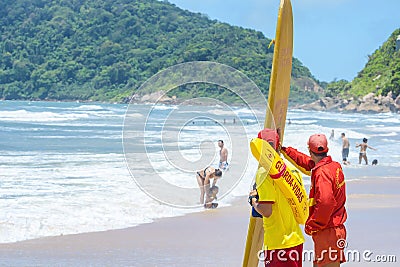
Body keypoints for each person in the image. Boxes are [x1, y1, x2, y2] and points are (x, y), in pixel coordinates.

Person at [281, 134, 347, 267]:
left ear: (310, 151)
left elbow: (326, 202)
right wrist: (285, 150)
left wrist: (313, 225)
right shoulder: (333, 166)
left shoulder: (321, 173)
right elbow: (306, 162)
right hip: (333, 230)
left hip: (327, 231)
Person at [249, 129, 304, 267]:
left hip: (277, 243)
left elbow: (267, 211)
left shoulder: (264, 173)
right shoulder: (292, 170)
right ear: (278, 147)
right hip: (296, 240)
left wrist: (254, 202)